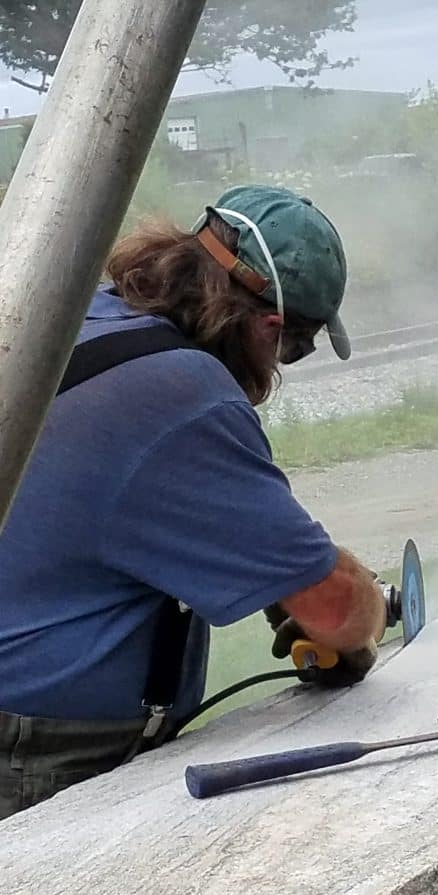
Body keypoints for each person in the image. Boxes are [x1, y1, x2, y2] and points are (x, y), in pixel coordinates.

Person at [0, 185, 388, 820]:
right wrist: (366, 606)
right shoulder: (184, 397)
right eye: (297, 347)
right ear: (270, 329)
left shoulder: (90, 318)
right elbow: (338, 610)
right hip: (38, 760)